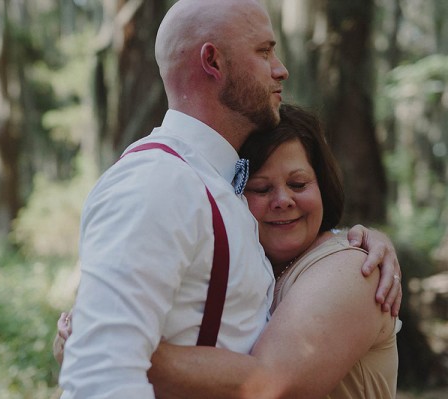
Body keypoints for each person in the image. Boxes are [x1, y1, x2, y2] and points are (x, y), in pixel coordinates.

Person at [57, 1, 402, 398]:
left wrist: (356, 241)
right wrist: (96, 338)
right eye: (264, 51)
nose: (281, 68)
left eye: (298, 184)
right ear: (213, 62)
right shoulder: (160, 180)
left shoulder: (217, 187)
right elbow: (103, 371)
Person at [143, 104, 400, 398]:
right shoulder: (242, 268)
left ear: (322, 186)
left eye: (298, 184)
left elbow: (272, 385)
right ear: (232, 199)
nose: (283, 200)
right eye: (261, 189)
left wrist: (125, 347)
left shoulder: (352, 270)